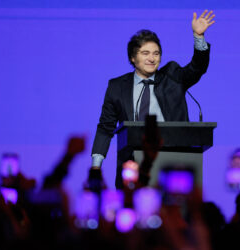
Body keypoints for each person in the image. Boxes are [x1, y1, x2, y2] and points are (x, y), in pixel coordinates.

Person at [91, 10, 215, 187]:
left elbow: (197, 68)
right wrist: (96, 167)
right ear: (133, 58)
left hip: (174, 164)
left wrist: (199, 36)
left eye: (156, 53)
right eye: (145, 53)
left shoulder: (172, 76)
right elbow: (105, 128)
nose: (152, 58)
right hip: (131, 168)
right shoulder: (117, 87)